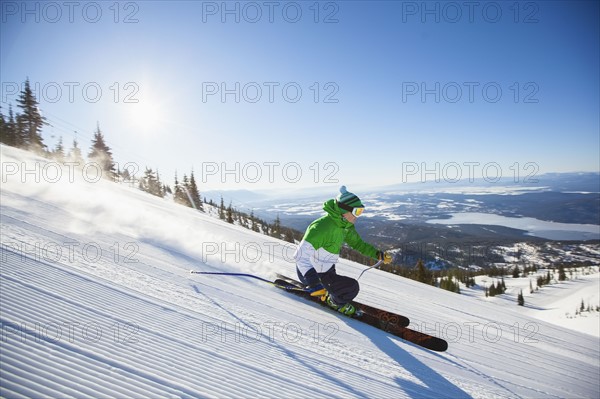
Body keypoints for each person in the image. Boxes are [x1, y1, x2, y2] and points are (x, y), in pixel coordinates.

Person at [293, 186, 392, 316]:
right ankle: (334, 302)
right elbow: (300, 256)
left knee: (342, 284)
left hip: (326, 269)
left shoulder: (345, 226)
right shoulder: (321, 228)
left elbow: (357, 243)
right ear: (344, 210)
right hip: (313, 273)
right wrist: (314, 282)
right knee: (352, 287)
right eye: (357, 211)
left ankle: (332, 293)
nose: (359, 216)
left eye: (361, 211)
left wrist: (377, 254)